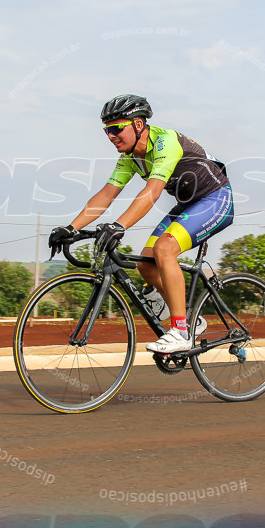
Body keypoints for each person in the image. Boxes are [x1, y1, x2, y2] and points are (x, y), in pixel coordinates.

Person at [49, 94, 233, 353]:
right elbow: (107, 193)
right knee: (146, 265)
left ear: (137, 124)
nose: (111, 136)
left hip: (215, 199)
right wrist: (71, 227)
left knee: (164, 250)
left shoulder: (165, 142)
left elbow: (152, 192)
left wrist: (119, 226)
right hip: (188, 205)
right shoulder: (130, 157)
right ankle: (191, 321)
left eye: (116, 129)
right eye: (107, 131)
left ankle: (180, 330)